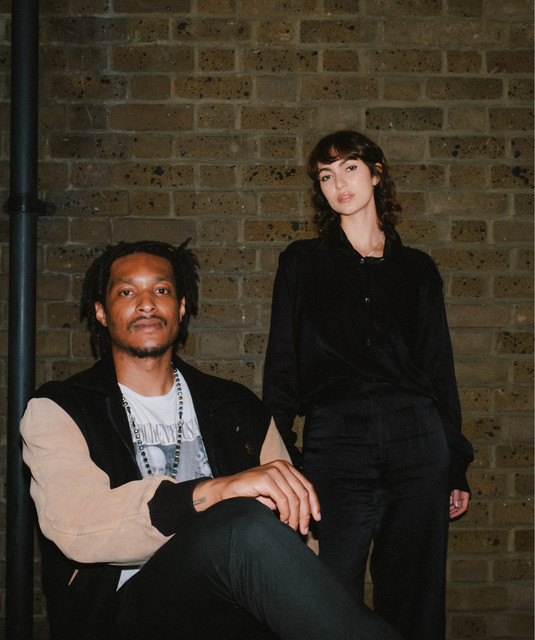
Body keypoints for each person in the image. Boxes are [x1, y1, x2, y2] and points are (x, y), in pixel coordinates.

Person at [20, 239, 402, 640]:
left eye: (161, 290)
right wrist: (215, 492)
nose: (147, 304)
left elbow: (298, 532)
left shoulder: (238, 407)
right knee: (241, 522)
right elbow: (75, 525)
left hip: (234, 605)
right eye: (127, 292)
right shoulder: (60, 408)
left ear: (182, 307)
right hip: (121, 614)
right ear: (100, 312)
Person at [262, 131, 474, 640]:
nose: (339, 184)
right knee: (326, 596)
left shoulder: (416, 269)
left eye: (350, 168)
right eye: (326, 175)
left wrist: (455, 464)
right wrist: (278, 455)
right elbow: (282, 364)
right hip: (337, 439)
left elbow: (438, 370)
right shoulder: (302, 262)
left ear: (377, 173)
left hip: (417, 440)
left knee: (415, 597)